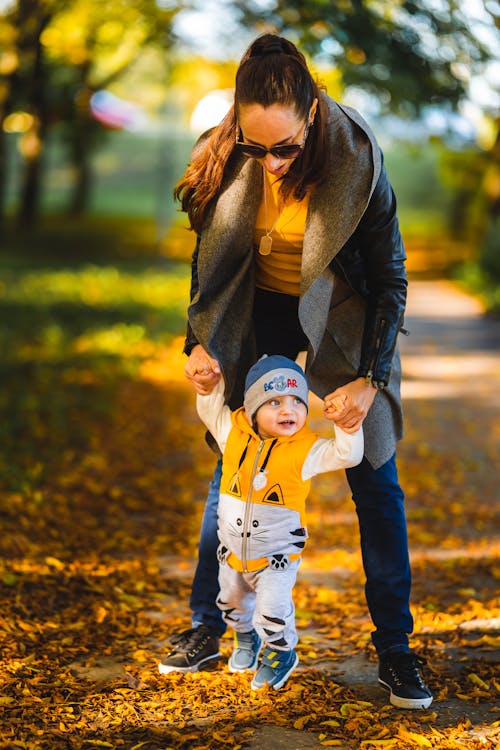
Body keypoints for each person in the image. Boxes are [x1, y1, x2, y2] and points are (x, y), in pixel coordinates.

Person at [159, 33, 433, 709]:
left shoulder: (358, 161)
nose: (273, 163)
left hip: (341, 320)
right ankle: (207, 625)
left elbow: (391, 279)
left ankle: (396, 649)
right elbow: (209, 265)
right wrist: (198, 342)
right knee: (236, 468)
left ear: (311, 113)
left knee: (375, 474)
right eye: (259, 148)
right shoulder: (228, 153)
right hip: (263, 318)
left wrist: (369, 376)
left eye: (286, 147)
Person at [160, 355, 363, 690]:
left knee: (272, 609)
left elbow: (348, 455)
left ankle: (280, 652)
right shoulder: (232, 434)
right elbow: (209, 409)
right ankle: (246, 640)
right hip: (232, 552)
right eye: (275, 402)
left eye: (298, 401)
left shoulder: (305, 450)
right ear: (252, 408)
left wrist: (346, 426)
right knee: (230, 602)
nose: (289, 410)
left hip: (276, 557)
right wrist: (210, 385)